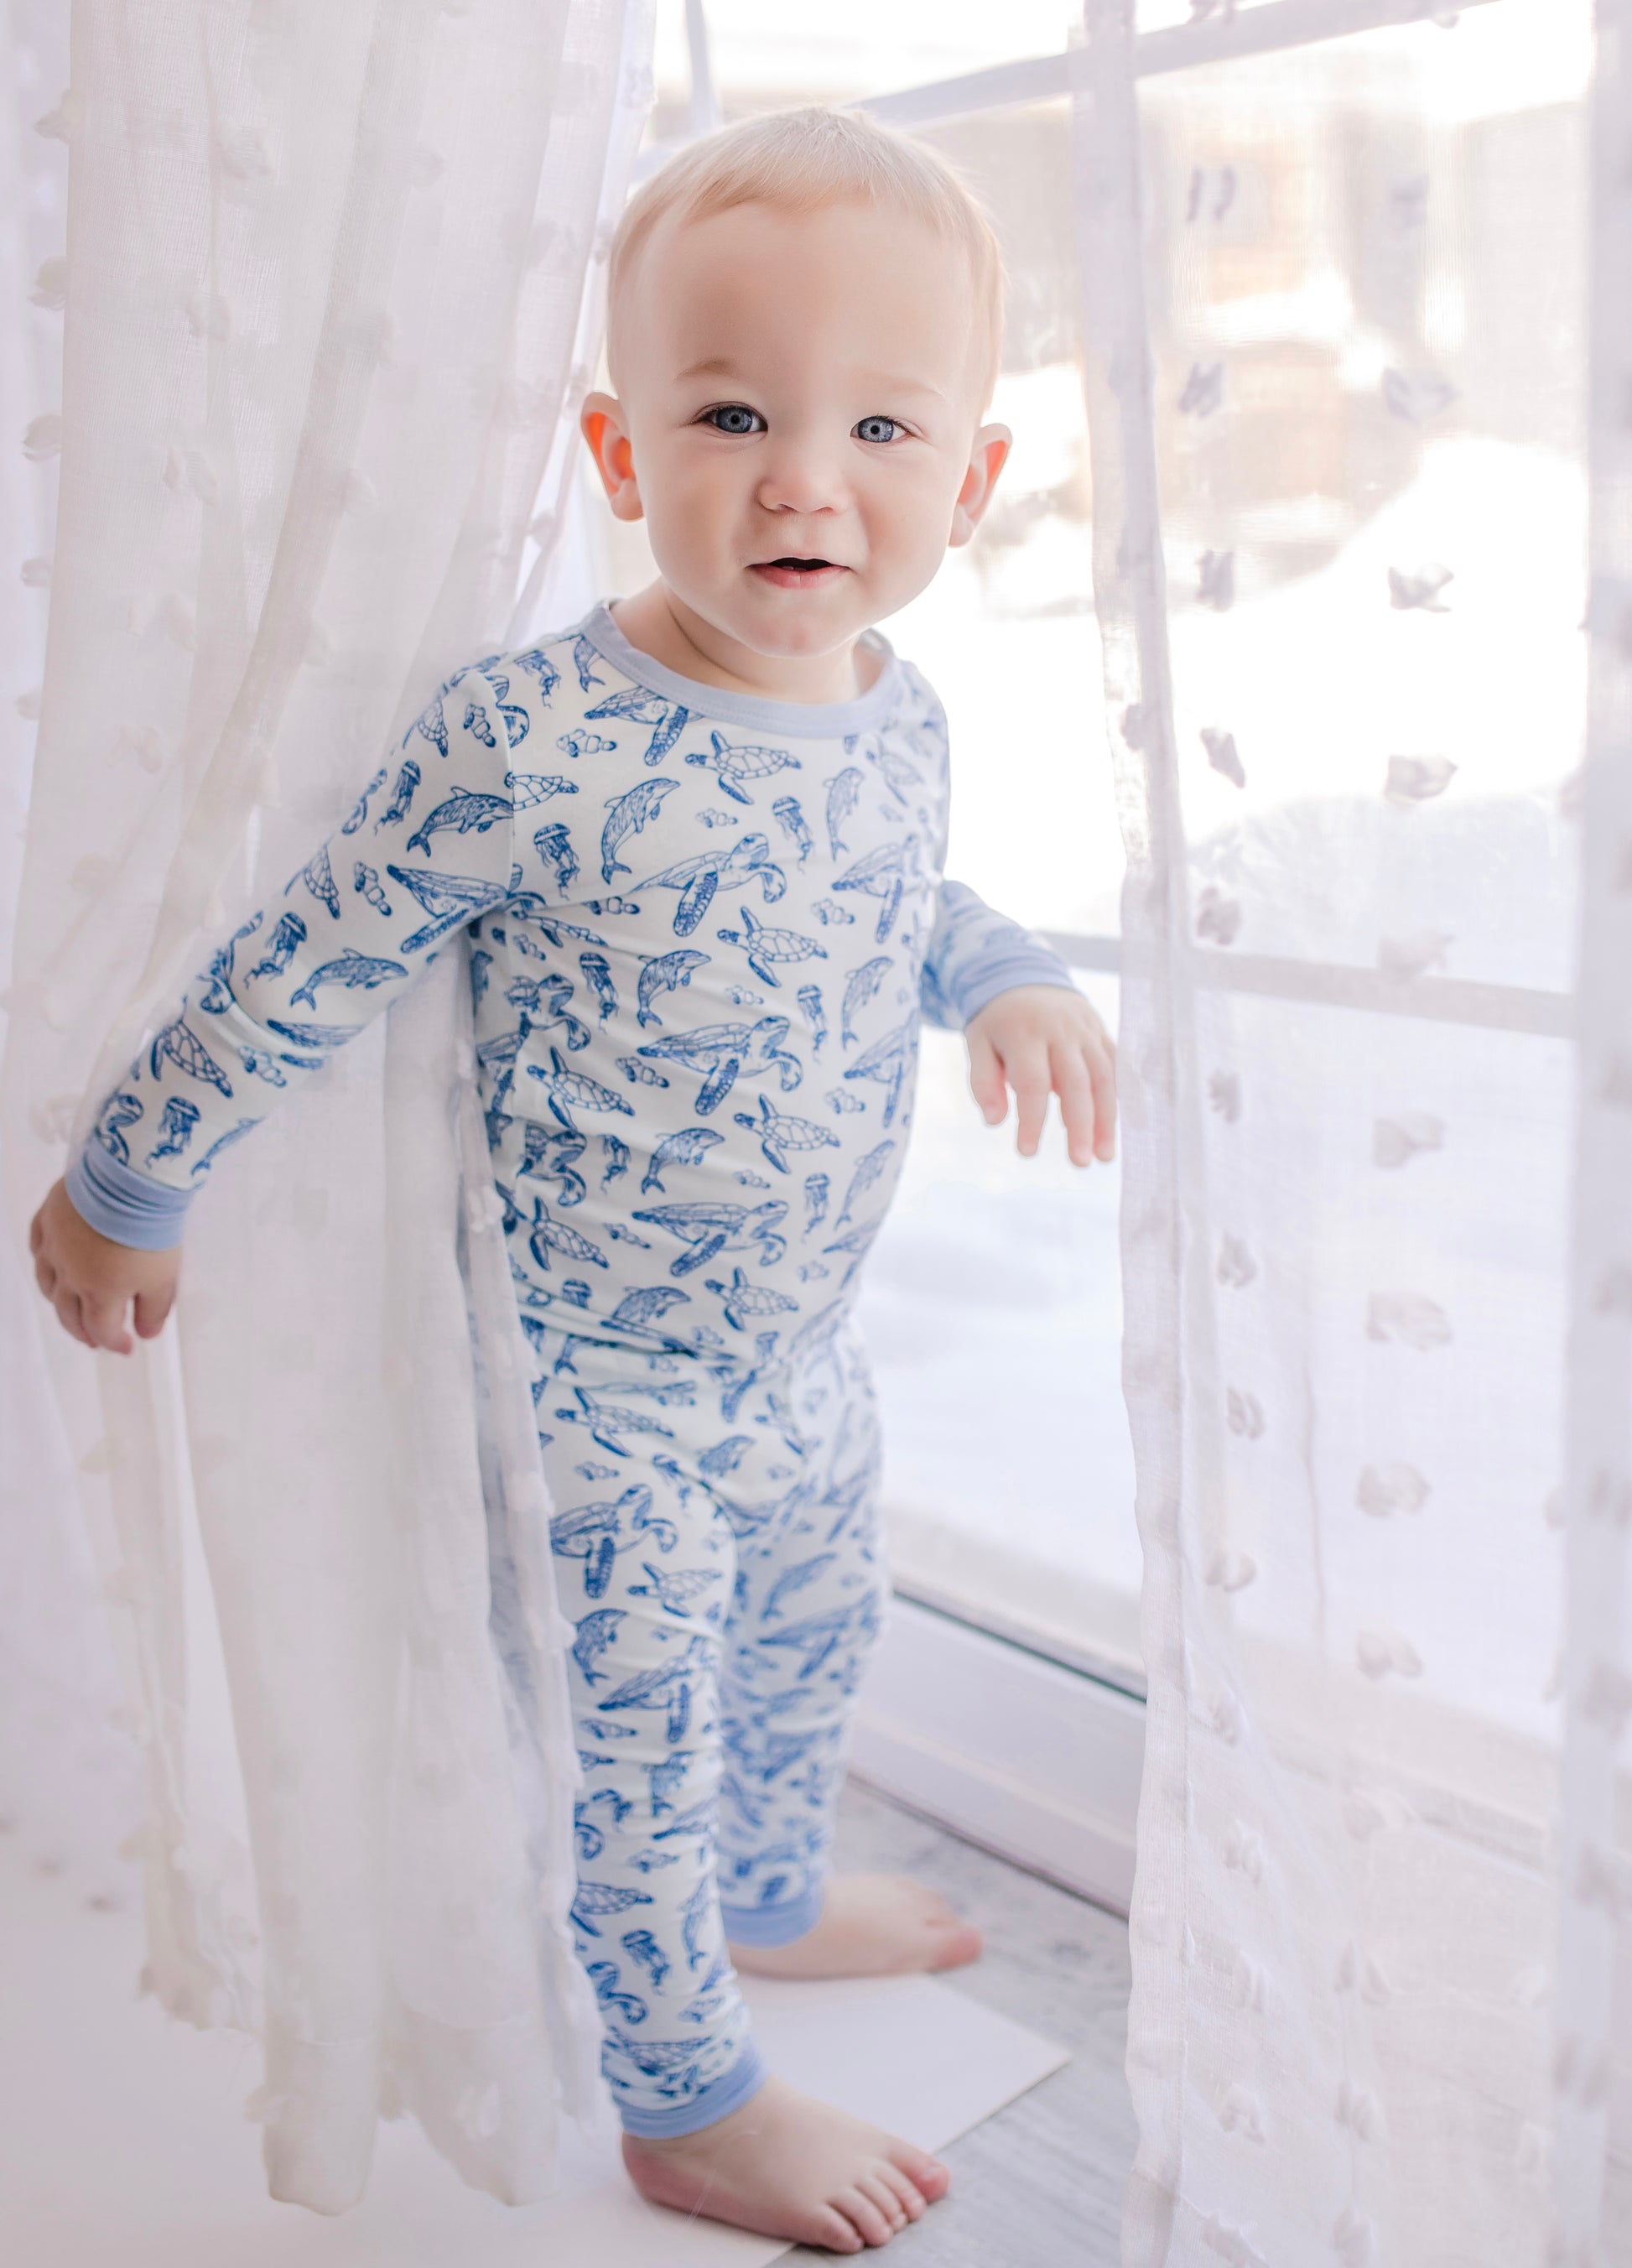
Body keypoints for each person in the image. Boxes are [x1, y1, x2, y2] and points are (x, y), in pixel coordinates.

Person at [28, 105, 1116, 2254]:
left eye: (882, 423)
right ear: (621, 458)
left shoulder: (897, 709)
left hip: (801, 1351)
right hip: (596, 1386)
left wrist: (1003, 973)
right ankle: (683, 2089)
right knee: (635, 1746)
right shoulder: (534, 737)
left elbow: (900, 896)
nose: (807, 474)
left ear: (967, 483)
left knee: (819, 1636)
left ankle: (776, 1888)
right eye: (732, 412)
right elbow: (310, 950)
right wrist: (130, 1177)